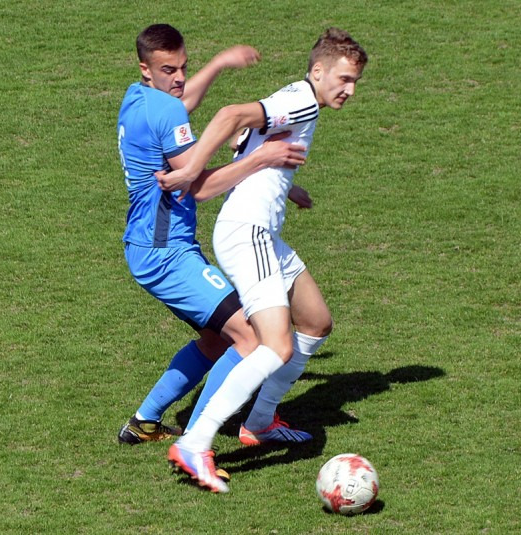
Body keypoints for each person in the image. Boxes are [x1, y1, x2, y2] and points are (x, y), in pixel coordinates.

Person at [163, 28, 368, 493]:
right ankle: (194, 443)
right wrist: (192, 169)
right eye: (344, 79)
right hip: (247, 234)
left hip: (263, 234)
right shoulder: (303, 101)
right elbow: (231, 114)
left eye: (355, 82)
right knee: (275, 346)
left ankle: (259, 422)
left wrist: (287, 186)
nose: (350, 90)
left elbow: (247, 136)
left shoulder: (296, 99)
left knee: (315, 322)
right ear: (319, 71)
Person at [115, 23, 307, 446]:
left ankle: (144, 423)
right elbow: (198, 187)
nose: (179, 78)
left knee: (217, 338)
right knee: (251, 334)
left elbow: (180, 105)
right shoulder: (164, 111)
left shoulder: (137, 99)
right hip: (166, 254)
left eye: (184, 67)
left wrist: (218, 64)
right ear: (145, 68)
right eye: (169, 70)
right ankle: (195, 441)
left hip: (148, 246)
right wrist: (263, 159)